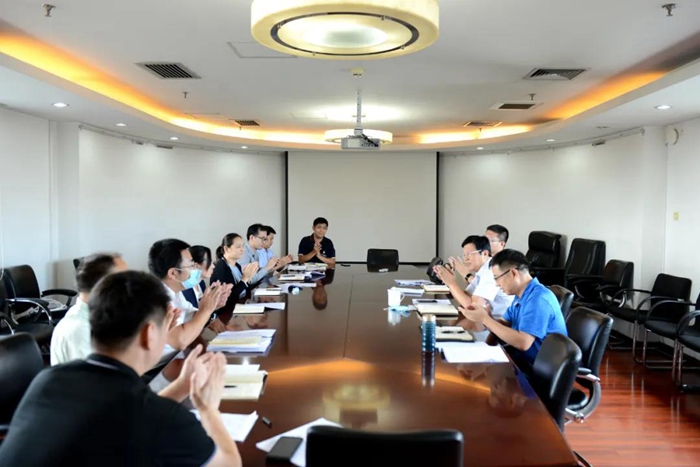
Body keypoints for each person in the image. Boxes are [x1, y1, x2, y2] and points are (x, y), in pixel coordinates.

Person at [0, 271, 242, 467]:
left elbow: (124, 416)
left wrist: (182, 386)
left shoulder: (48, 379)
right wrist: (208, 408)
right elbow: (229, 463)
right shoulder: (162, 418)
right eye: (166, 326)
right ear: (149, 334)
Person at [459, 249, 567, 370]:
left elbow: (523, 342)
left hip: (536, 370)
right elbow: (503, 324)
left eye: (496, 278)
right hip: (519, 360)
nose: (496, 284)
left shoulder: (538, 299)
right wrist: (485, 350)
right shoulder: (520, 295)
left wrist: (485, 319)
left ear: (513, 273)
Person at [148, 238, 232, 350]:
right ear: (173, 273)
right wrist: (206, 310)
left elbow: (193, 316)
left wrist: (213, 304)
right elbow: (181, 340)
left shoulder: (177, 294)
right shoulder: (158, 301)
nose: (196, 270)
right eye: (191, 266)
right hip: (169, 360)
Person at [50, 253, 128, 365]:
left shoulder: (101, 315)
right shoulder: (80, 331)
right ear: (103, 286)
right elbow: (99, 374)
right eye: (123, 282)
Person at [434, 235, 513, 323]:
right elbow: (466, 296)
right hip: (487, 321)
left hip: (500, 324)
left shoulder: (491, 270)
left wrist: (452, 283)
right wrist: (448, 281)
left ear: (485, 254)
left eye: (469, 254)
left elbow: (472, 308)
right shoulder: (482, 271)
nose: (466, 259)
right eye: (464, 255)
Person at [183, 245, 227, 335]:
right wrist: (210, 307)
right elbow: (194, 317)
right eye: (209, 262)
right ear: (196, 265)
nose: (213, 266)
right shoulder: (185, 289)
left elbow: (206, 315)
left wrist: (215, 305)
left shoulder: (201, 283)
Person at [211, 233, 260, 300]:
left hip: (243, 302)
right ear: (226, 249)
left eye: (243, 246)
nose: (242, 249)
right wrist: (244, 279)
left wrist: (249, 277)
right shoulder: (220, 268)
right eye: (238, 247)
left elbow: (244, 290)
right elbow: (228, 297)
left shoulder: (237, 265)